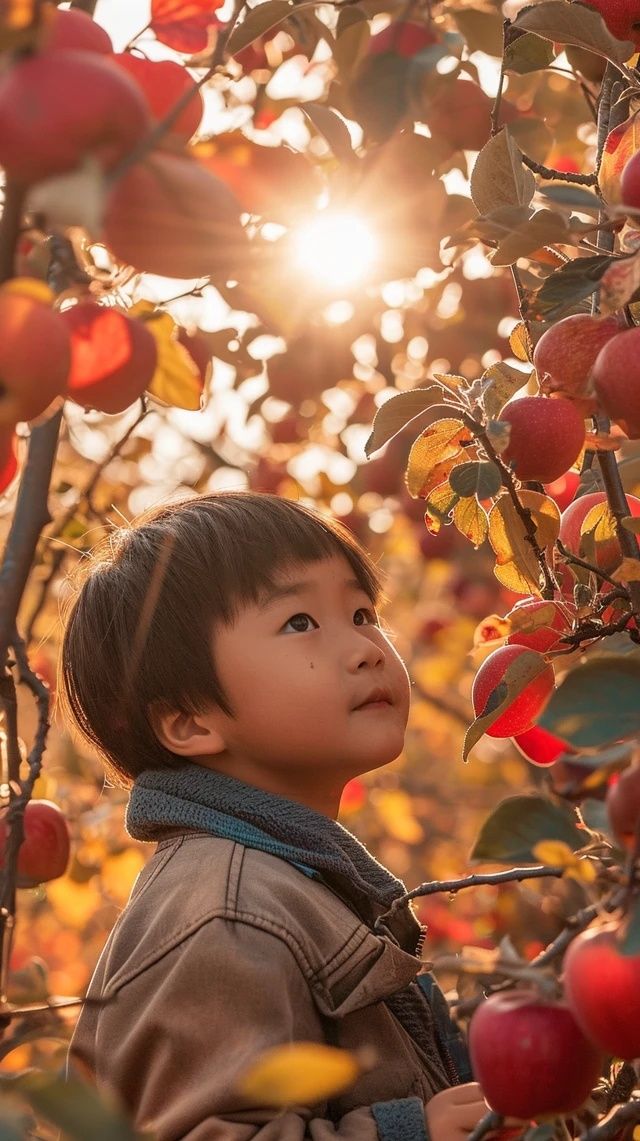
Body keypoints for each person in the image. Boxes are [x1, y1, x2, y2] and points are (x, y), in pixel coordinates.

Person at [58, 490, 490, 1141]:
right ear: (188, 719)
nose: (368, 647)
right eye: (299, 622)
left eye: (362, 612)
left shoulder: (291, 881)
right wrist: (411, 1132)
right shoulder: (226, 912)